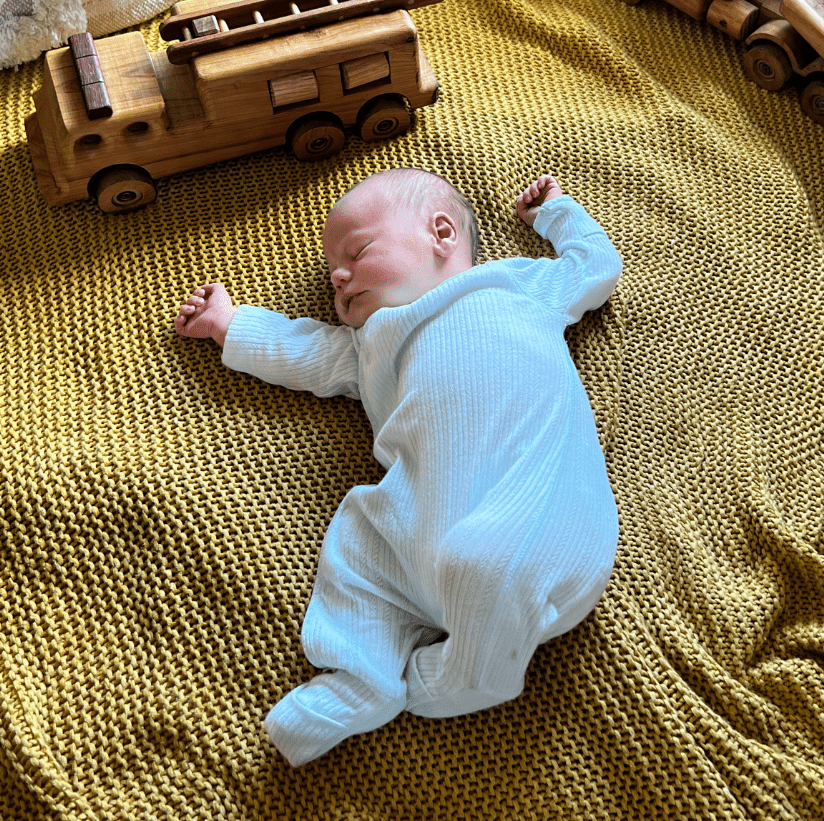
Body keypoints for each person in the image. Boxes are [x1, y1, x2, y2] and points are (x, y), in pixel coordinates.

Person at [174, 169, 622, 766]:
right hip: (414, 527)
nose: (338, 277)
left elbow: (596, 267)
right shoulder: (370, 347)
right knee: (358, 550)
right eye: (336, 270)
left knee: (484, 560)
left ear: (441, 234)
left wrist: (558, 214)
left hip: (533, 512)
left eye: (356, 253)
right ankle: (364, 679)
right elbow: (307, 351)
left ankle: (468, 676)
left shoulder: (515, 284)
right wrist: (232, 324)